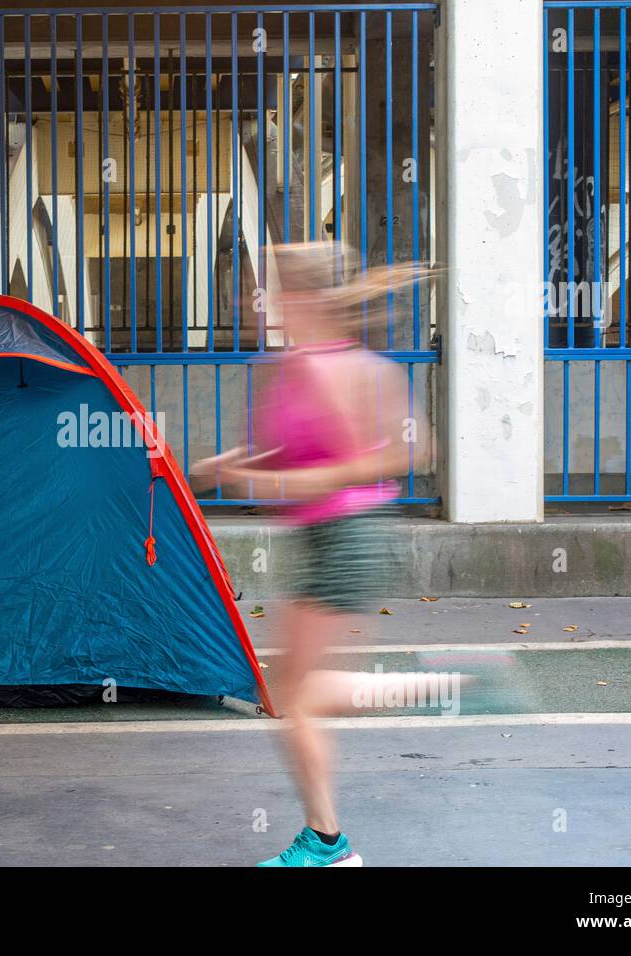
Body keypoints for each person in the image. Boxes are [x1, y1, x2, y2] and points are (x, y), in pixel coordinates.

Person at [192, 241, 453, 867]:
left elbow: (410, 453)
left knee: (296, 698)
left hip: (347, 535)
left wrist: (305, 482)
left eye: (275, 288)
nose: (260, 301)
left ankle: (445, 690)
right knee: (291, 695)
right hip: (320, 537)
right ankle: (327, 838)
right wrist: (230, 467)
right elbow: (288, 456)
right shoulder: (291, 366)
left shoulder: (342, 368)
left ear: (303, 296)